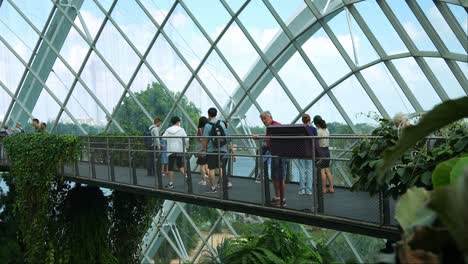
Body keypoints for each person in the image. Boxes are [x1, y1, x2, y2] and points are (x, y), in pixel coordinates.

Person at [259, 111, 286, 206]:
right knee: (275, 176)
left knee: (279, 177)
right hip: (274, 153)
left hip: (279, 154)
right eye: (262, 119)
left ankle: (282, 199)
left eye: (264, 118)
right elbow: (269, 139)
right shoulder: (270, 127)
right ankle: (278, 197)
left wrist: (259, 138)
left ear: (270, 117)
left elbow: (272, 138)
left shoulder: (275, 126)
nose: (263, 121)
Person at [202, 108, 229, 194]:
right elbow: (226, 136)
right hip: (223, 149)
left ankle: (213, 188)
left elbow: (205, 139)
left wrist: (204, 149)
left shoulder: (207, 125)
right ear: (216, 114)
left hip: (212, 150)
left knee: (211, 169)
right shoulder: (222, 123)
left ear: (208, 115)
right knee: (221, 168)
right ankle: (226, 183)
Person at [162, 116, 189, 189]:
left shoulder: (168, 130)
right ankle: (187, 177)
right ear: (177, 122)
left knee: (170, 167)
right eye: (179, 121)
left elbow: (163, 138)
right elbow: (186, 139)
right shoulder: (181, 130)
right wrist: (186, 146)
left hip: (171, 150)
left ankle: (170, 183)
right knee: (180, 166)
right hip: (180, 150)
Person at [313, 115, 334, 193]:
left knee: (322, 171)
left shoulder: (319, 131)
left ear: (317, 124)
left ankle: (323, 188)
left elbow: (316, 142)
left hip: (321, 151)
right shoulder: (327, 130)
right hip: (327, 151)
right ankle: (331, 188)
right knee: (327, 170)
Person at [298, 114, 314, 195]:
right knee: (309, 170)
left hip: (301, 151)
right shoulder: (313, 129)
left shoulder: (300, 129)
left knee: (301, 169)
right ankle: (309, 190)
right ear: (309, 120)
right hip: (310, 152)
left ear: (302, 120)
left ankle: (302, 189)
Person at [196, 116, 209, 185]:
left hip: (202, 149)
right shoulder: (208, 128)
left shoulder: (200, 129)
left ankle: (203, 181)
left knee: (201, 166)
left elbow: (198, 138)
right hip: (208, 149)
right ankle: (209, 179)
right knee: (206, 164)